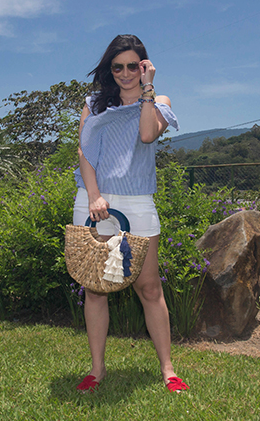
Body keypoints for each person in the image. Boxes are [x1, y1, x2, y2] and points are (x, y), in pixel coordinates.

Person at [72, 34, 188, 393]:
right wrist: (93, 196)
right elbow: (84, 153)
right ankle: (96, 369)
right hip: (93, 201)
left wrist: (148, 90)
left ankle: (168, 370)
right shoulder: (94, 104)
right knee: (95, 288)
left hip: (138, 200)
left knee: (149, 287)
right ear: (110, 68)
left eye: (132, 66)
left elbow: (147, 135)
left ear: (144, 66)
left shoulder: (159, 101)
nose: (124, 73)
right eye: (117, 66)